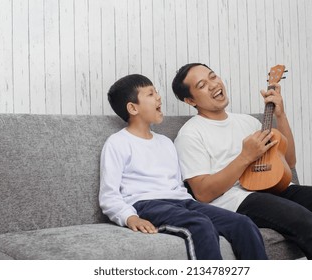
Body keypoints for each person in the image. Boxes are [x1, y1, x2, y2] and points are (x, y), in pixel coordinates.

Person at [172, 63, 312, 260]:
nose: (213, 85)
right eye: (202, 85)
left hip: (275, 187)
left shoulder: (247, 122)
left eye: (213, 77)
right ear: (190, 100)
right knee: (305, 221)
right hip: (236, 199)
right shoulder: (190, 134)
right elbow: (203, 193)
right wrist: (245, 157)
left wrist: (280, 115)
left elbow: (289, 161)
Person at [99, 73, 268, 260]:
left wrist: (191, 205)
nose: (158, 97)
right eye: (150, 94)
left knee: (242, 223)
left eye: (156, 91)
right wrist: (129, 217)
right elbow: (109, 196)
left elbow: (178, 186)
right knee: (200, 224)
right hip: (146, 205)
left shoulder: (165, 143)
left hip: (182, 202)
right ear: (132, 108)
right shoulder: (117, 143)